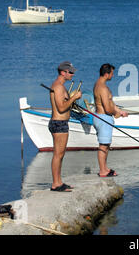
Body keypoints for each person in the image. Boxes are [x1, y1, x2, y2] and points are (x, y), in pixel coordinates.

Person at [48, 61, 82, 192]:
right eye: (71, 72)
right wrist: (73, 98)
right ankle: (55, 184)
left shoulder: (61, 86)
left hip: (61, 123)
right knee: (58, 154)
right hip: (58, 123)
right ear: (63, 72)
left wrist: (72, 100)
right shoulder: (58, 87)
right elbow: (61, 108)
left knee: (60, 154)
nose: (72, 75)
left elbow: (64, 104)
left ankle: (59, 181)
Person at [93, 63, 128, 177]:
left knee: (106, 145)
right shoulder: (102, 88)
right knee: (103, 145)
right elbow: (108, 108)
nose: (113, 76)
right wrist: (116, 113)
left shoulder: (98, 84)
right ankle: (103, 171)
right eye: (112, 73)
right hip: (103, 119)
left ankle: (105, 168)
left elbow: (110, 103)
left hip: (101, 118)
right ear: (107, 74)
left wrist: (120, 111)